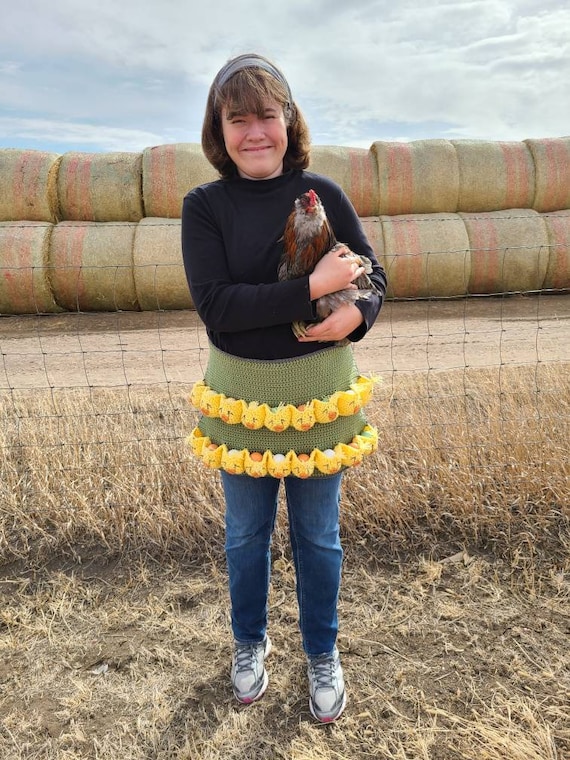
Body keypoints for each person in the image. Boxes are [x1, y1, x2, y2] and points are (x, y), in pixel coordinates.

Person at [181, 52, 387, 723]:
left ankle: (322, 654)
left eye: (266, 114)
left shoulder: (323, 193)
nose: (254, 131)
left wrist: (356, 315)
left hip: (318, 398)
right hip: (241, 402)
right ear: (220, 129)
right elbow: (220, 306)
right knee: (244, 537)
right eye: (237, 118)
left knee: (318, 538)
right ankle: (249, 646)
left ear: (287, 119)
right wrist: (313, 289)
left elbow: (372, 276)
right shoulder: (204, 206)